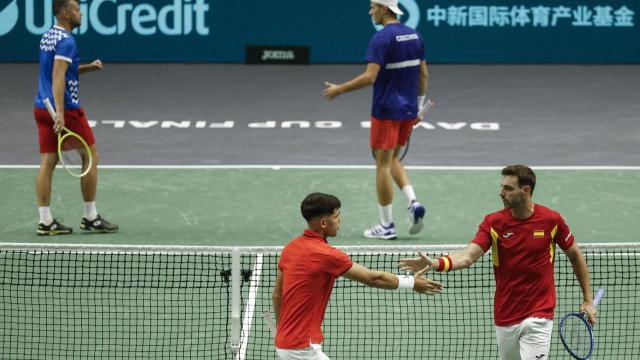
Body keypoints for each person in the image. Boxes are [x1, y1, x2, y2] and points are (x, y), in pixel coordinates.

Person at [400, 165, 597, 360]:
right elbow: (468, 256)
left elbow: (575, 255)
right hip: (506, 314)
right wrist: (436, 263)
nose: (501, 193)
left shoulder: (551, 220)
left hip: (540, 314)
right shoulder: (494, 223)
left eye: (508, 188)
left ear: (525, 191)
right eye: (502, 187)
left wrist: (588, 299)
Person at [272, 192, 442, 359]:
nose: (340, 220)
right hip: (302, 348)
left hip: (285, 343)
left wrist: (284, 333)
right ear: (324, 222)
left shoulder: (290, 248)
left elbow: (277, 295)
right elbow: (373, 279)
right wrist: (412, 282)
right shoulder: (326, 255)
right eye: (337, 216)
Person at [323, 0, 429, 240]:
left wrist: (340, 89)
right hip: (408, 110)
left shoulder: (381, 38)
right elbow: (423, 74)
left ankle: (386, 225)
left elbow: (370, 77)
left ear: (384, 8)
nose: (370, 11)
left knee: (382, 164)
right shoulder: (414, 35)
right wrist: (418, 107)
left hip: (386, 110)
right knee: (393, 158)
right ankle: (413, 202)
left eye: (373, 7)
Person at [33, 0, 118, 235]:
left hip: (41, 106)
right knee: (91, 156)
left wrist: (87, 68)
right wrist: (61, 112)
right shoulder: (67, 41)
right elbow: (59, 76)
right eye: (77, 10)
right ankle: (90, 217)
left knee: (47, 163)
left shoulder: (48, 37)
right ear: (65, 13)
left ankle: (45, 221)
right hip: (66, 110)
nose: (80, 13)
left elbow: (56, 71)